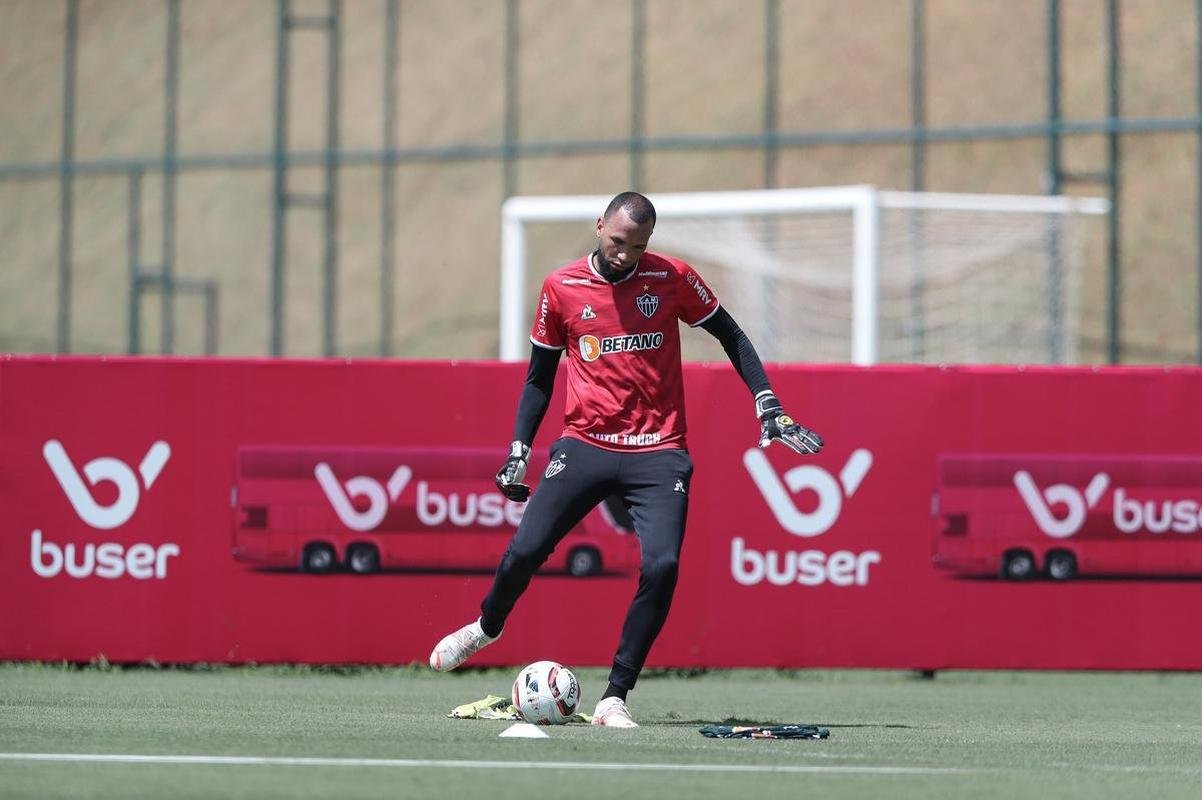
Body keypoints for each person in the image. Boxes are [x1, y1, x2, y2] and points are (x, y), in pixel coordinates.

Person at [429, 191, 822, 727]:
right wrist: (519, 448)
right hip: (585, 444)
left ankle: (615, 696)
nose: (624, 255)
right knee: (525, 550)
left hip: (659, 450)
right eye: (617, 242)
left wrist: (766, 401)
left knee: (663, 566)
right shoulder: (561, 287)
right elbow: (539, 379)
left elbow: (731, 335)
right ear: (599, 226)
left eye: (637, 246)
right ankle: (486, 628)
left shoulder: (672, 277)